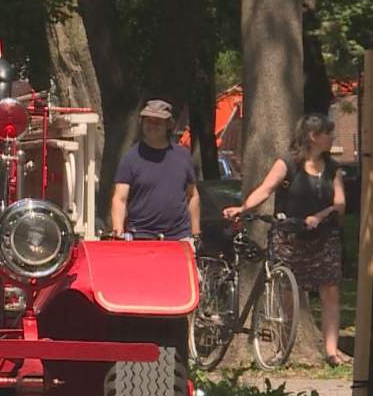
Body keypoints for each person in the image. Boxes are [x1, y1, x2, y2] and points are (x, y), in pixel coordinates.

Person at [222, 113, 347, 367]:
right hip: (290, 236)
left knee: (330, 291)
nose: (332, 137)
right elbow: (265, 190)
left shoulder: (333, 168)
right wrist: (242, 208)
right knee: (289, 293)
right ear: (313, 136)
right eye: (328, 133)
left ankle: (332, 351)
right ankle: (283, 346)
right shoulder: (287, 164)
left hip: (323, 237)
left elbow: (340, 203)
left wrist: (321, 215)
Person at [110, 98, 201, 243]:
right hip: (140, 237)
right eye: (148, 121)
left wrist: (196, 235)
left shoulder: (183, 155)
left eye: (158, 122)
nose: (152, 126)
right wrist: (118, 231)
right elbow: (120, 199)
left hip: (179, 238)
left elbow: (192, 196)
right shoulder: (131, 157)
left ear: (169, 124)